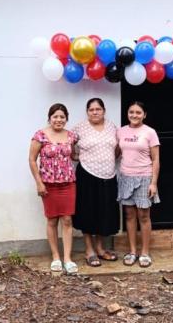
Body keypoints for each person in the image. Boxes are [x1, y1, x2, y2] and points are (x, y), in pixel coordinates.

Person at [28, 103, 79, 274]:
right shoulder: (40, 136)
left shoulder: (71, 136)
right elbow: (32, 160)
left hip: (68, 183)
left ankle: (67, 258)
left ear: (66, 119)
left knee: (67, 220)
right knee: (52, 220)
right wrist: (39, 182)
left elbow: (74, 155)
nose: (59, 120)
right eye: (55, 116)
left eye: (62, 117)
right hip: (48, 185)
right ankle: (56, 257)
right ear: (49, 118)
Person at [72, 98, 120, 268]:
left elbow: (118, 148)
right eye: (91, 109)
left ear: (104, 111)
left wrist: (109, 159)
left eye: (98, 109)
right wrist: (75, 156)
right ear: (87, 112)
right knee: (88, 211)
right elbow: (68, 144)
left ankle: (100, 248)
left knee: (104, 212)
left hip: (108, 175)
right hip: (87, 174)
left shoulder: (112, 127)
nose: (95, 112)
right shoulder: (79, 128)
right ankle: (89, 250)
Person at [116, 101, 160, 268]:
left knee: (144, 215)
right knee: (129, 215)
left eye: (138, 112)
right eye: (131, 112)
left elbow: (156, 159)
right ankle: (132, 251)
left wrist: (153, 183)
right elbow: (116, 153)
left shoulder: (150, 132)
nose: (134, 115)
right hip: (126, 177)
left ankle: (145, 253)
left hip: (144, 177)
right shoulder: (121, 131)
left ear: (144, 115)